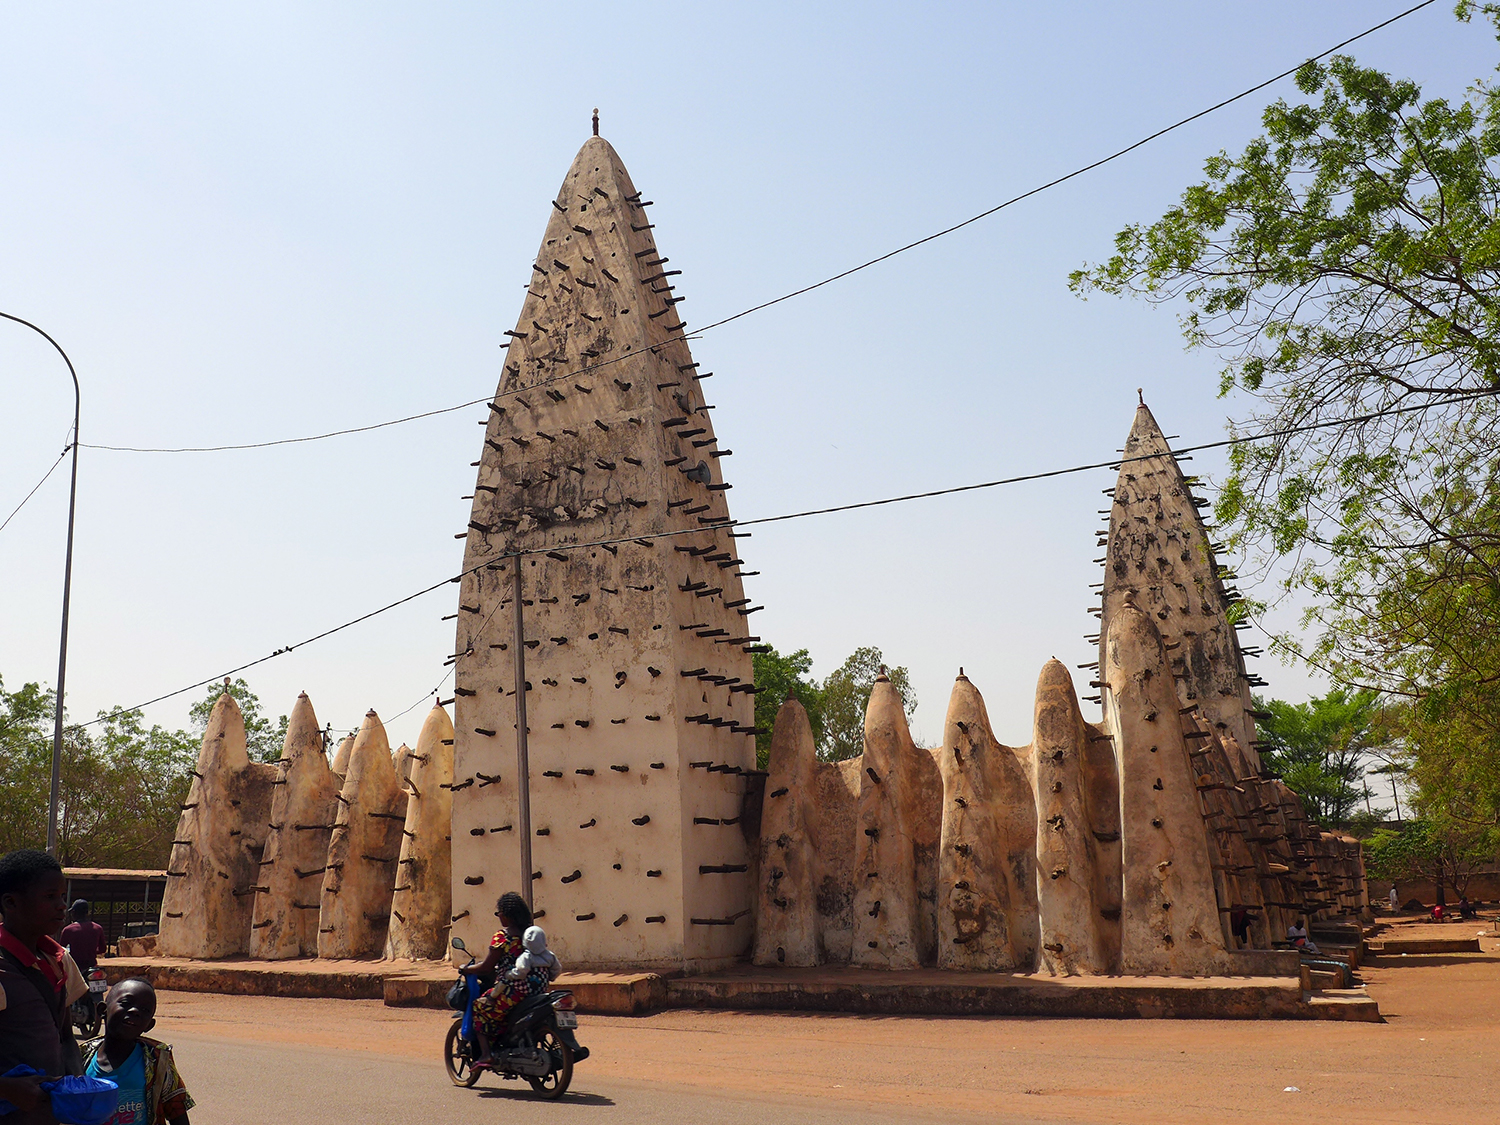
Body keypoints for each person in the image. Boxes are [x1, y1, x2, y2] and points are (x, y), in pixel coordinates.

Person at [0, 849, 85, 1124]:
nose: (62, 905)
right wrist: (6, 1088)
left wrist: (78, 1080)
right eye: (49, 897)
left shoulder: (59, 960)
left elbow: (66, 1036)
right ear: (10, 903)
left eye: (62, 896)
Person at [81, 979, 193, 1125]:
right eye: (126, 1003)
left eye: (145, 1010)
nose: (135, 1011)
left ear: (149, 1025)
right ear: (103, 1010)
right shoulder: (82, 1059)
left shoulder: (157, 1060)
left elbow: (177, 1113)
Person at [468, 893, 541, 1063]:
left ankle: (486, 1055)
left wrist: (467, 969)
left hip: (512, 990)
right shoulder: (530, 934)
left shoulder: (503, 936)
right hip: (535, 987)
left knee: (479, 1007)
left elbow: (486, 967)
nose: (499, 916)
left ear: (506, 915)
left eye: (499, 913)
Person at [507, 926, 561, 991]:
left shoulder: (526, 956)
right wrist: (551, 977)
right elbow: (557, 969)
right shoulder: (549, 955)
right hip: (543, 987)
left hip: (528, 990)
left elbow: (521, 972)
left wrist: (508, 974)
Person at [61, 902, 106, 975]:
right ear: (87, 912)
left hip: (75, 967)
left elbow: (61, 951)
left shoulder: (68, 930)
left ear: (74, 913)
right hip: (92, 965)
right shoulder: (98, 928)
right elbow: (103, 949)